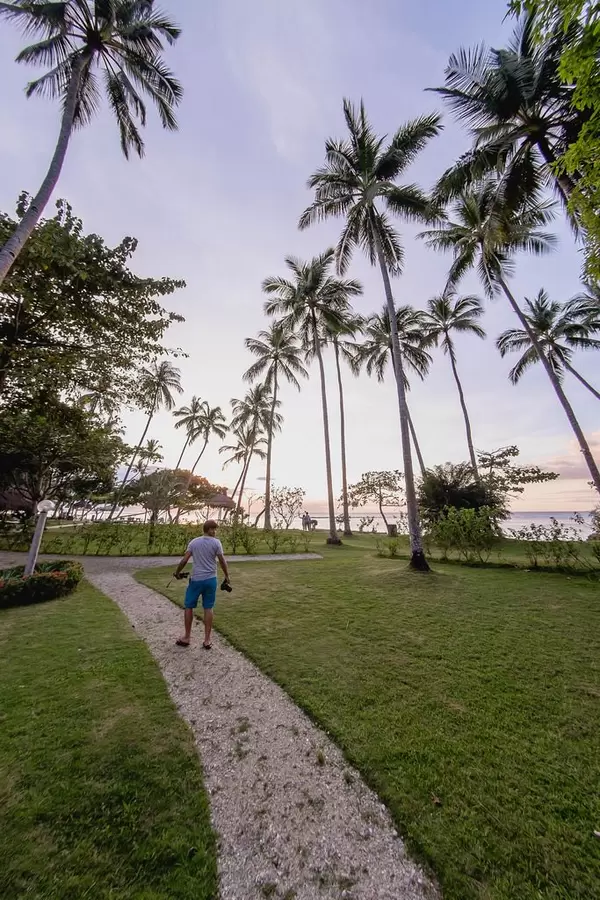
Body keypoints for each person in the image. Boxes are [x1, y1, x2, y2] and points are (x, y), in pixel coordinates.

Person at [173, 519, 230, 650]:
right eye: (213, 529)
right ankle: (207, 640)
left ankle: (187, 637)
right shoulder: (216, 543)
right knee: (208, 608)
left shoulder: (194, 542)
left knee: (189, 606)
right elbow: (222, 561)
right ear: (208, 529)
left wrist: (177, 572)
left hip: (196, 580)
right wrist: (227, 576)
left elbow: (184, 559)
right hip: (210, 580)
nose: (215, 532)